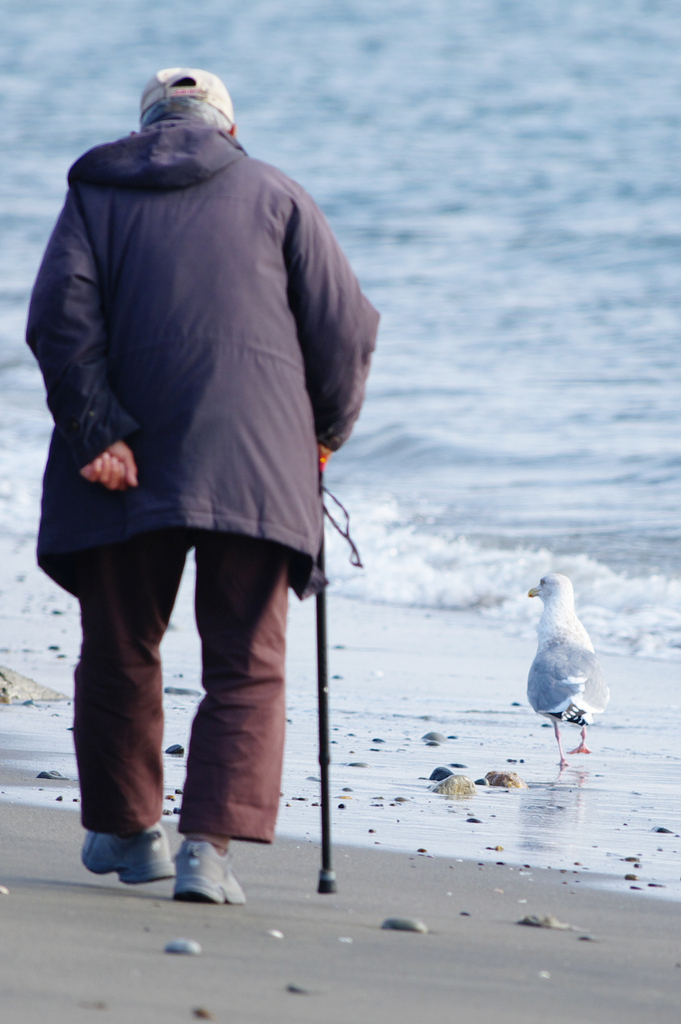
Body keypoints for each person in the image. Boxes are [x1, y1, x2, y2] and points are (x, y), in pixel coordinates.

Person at [26, 68, 378, 903]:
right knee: (247, 663)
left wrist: (97, 430)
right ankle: (207, 851)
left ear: (147, 123)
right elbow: (346, 328)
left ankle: (129, 830)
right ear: (227, 129)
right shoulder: (279, 194)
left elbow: (57, 319)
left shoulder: (95, 192)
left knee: (119, 647)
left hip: (124, 461)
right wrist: (322, 437)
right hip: (254, 455)